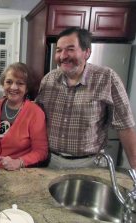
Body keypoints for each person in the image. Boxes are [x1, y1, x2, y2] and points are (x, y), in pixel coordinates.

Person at [36, 27, 136, 169]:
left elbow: (125, 126)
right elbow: (36, 120)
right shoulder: (48, 80)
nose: (63, 55)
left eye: (70, 49)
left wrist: (135, 170)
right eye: (58, 50)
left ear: (87, 52)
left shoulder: (107, 78)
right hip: (51, 161)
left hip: (90, 164)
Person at [0, 62, 48, 171]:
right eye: (9, 82)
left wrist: (19, 162)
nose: (13, 87)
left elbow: (41, 151)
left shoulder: (35, 112)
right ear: (3, 84)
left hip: (18, 173)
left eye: (20, 83)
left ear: (26, 88)